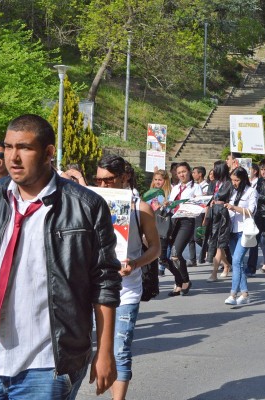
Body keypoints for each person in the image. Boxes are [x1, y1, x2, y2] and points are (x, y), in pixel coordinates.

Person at [0, 114, 121, 398]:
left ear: (48, 152)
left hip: (46, 363)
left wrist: (106, 352)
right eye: (8, 147)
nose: (13, 157)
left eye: (24, 148)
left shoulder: (86, 206)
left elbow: (104, 282)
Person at [95, 155, 160, 400]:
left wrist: (135, 263)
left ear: (125, 177)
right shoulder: (90, 203)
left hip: (125, 289)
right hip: (92, 286)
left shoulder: (140, 208)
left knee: (119, 350)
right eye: (98, 180)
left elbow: (155, 248)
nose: (102, 186)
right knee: (85, 347)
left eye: (108, 180)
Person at [165, 162, 202, 296]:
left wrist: (189, 203)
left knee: (175, 253)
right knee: (169, 256)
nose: (181, 174)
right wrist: (167, 204)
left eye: (184, 171)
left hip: (187, 221)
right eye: (179, 172)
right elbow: (170, 206)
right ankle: (178, 283)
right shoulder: (175, 188)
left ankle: (185, 281)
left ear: (189, 172)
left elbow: (200, 204)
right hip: (174, 222)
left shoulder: (195, 187)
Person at [224, 167, 258, 305]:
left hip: (245, 231)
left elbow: (252, 211)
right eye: (232, 180)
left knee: (237, 261)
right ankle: (245, 294)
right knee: (238, 263)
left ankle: (233, 294)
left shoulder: (251, 191)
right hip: (232, 230)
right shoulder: (232, 191)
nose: (234, 183)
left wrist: (234, 208)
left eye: (237, 180)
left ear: (244, 179)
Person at [205, 162, 233, 282]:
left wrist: (219, 202)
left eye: (216, 169)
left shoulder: (229, 183)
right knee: (213, 240)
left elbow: (228, 198)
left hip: (224, 215)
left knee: (220, 243)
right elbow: (209, 196)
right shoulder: (213, 183)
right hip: (213, 213)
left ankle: (214, 272)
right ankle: (226, 264)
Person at [248, 160, 265, 276]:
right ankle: (251, 267)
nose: (263, 172)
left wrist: (258, 196)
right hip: (258, 214)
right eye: (262, 169)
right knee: (254, 241)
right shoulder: (259, 181)